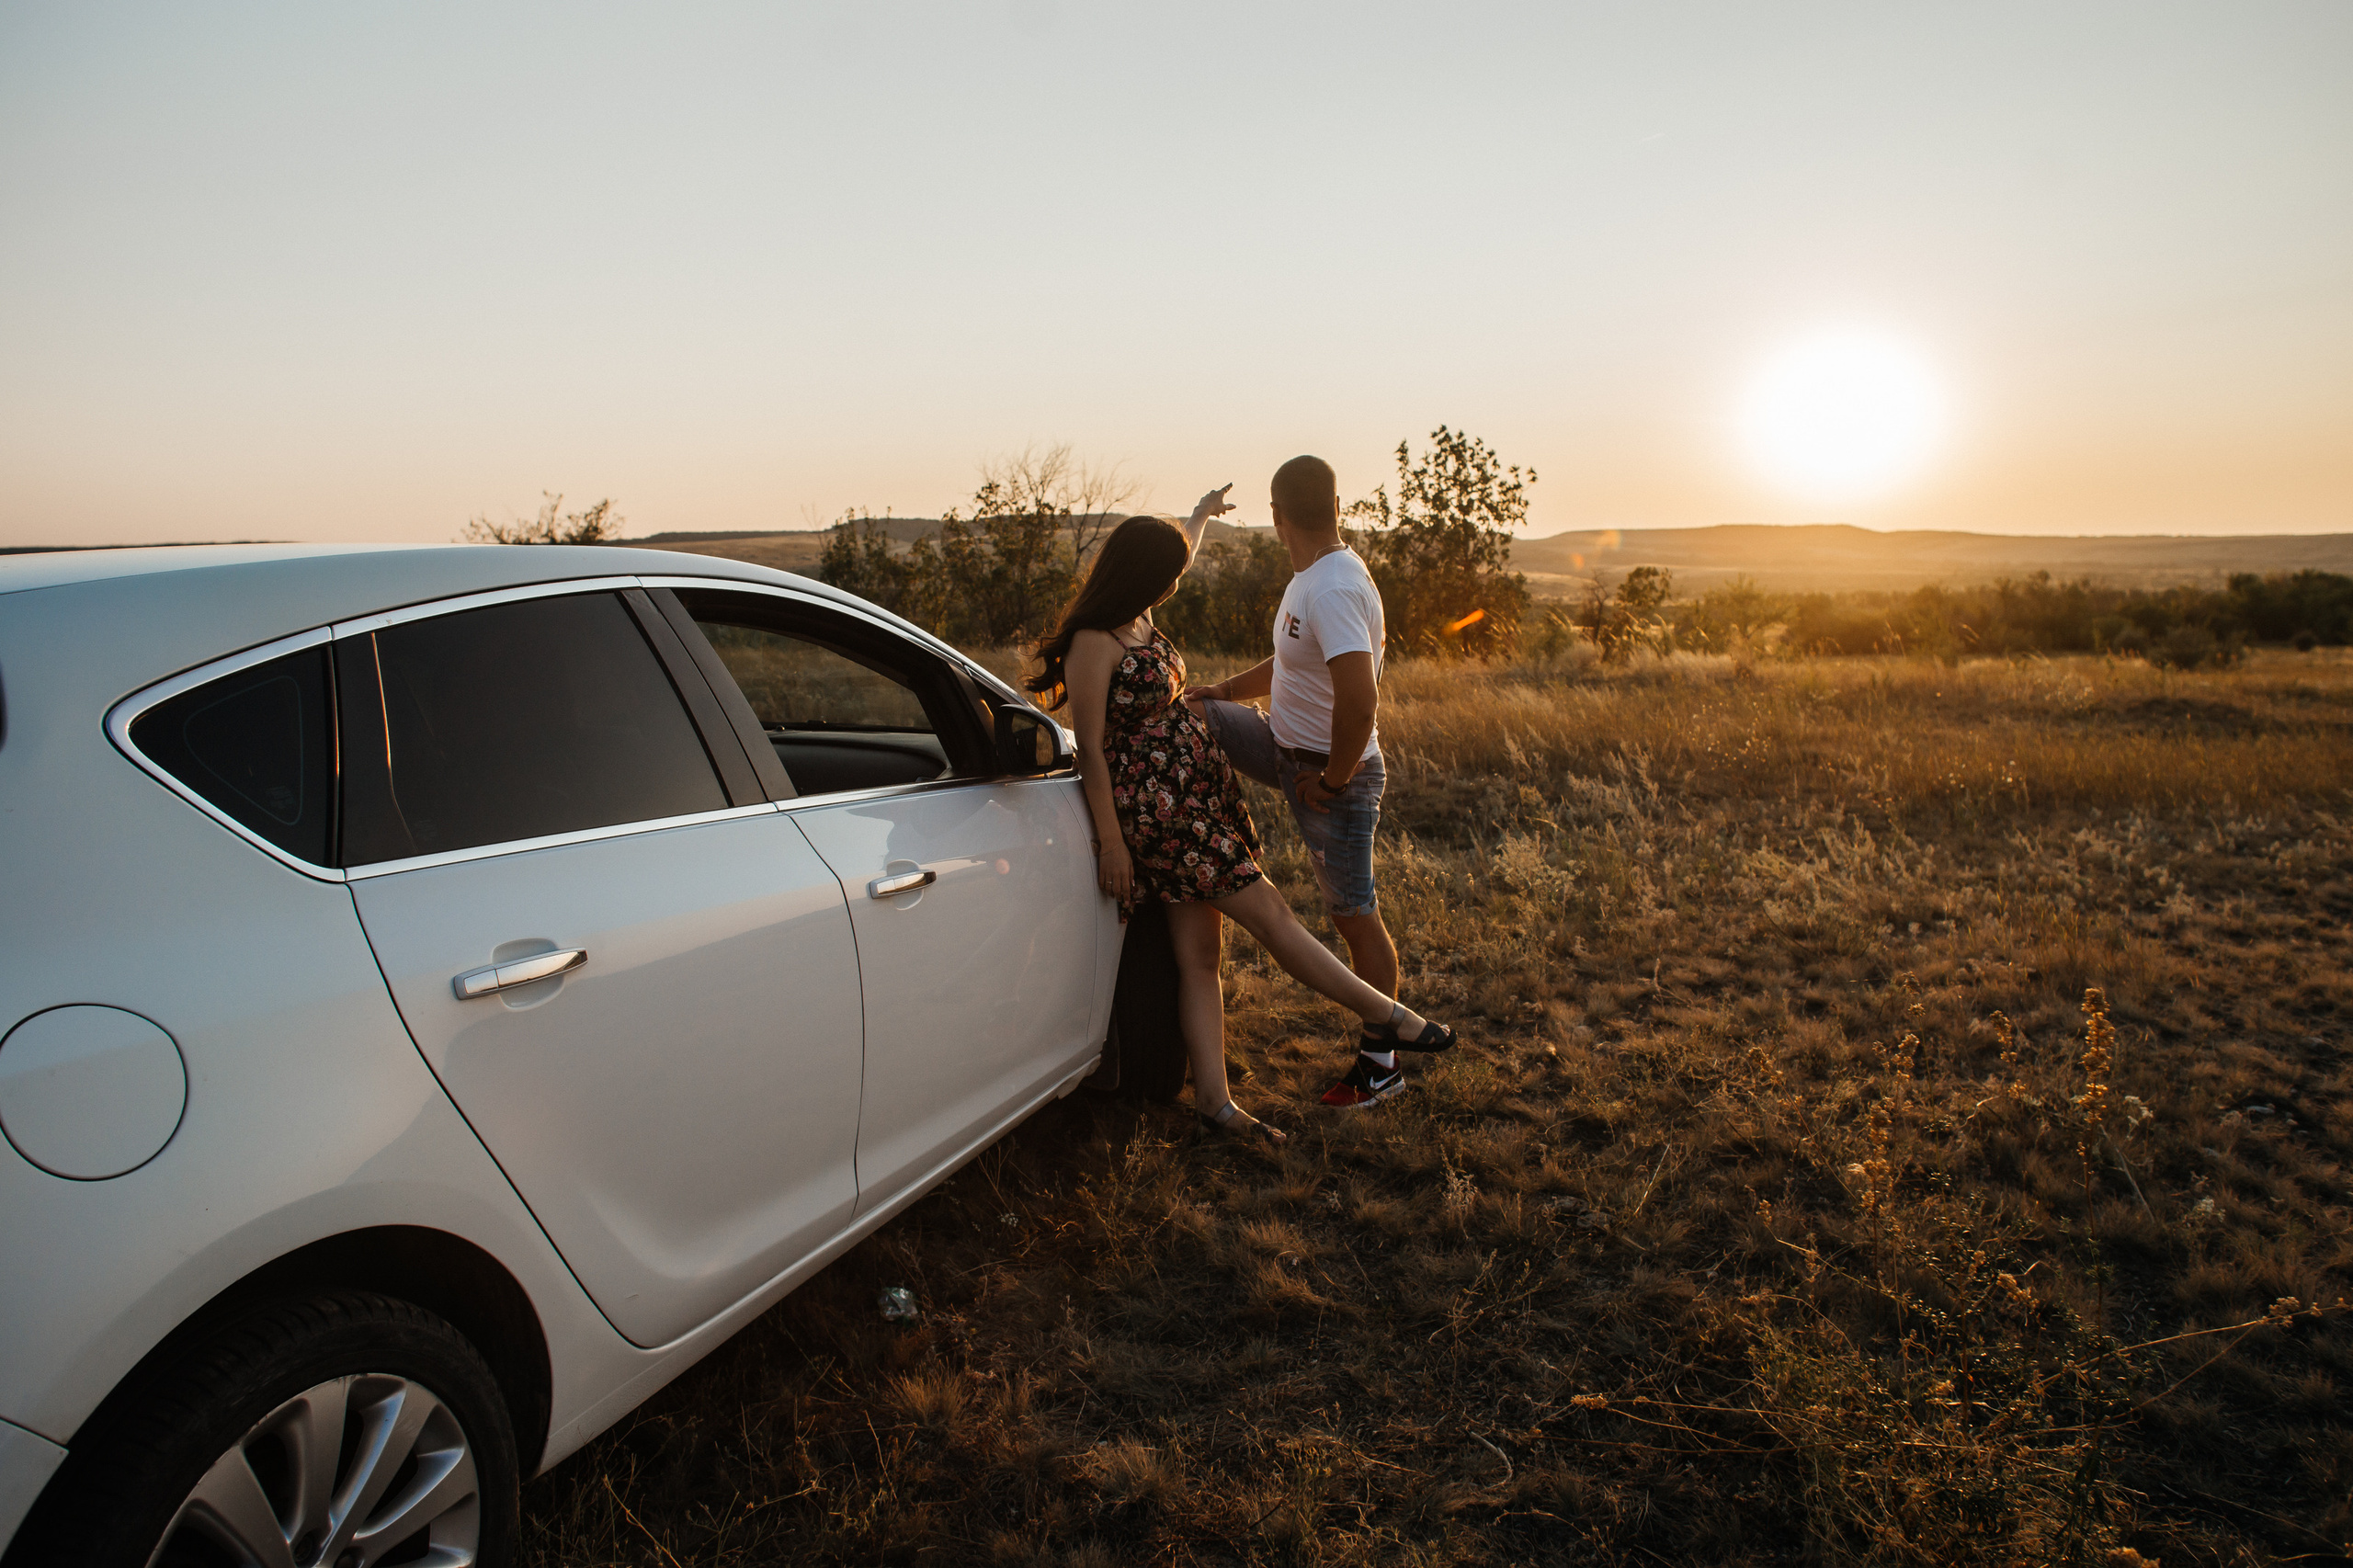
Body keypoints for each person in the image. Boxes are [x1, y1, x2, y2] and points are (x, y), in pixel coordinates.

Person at [1028, 486, 1453, 1143]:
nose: (1178, 581)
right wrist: (1112, 845)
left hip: (1195, 795)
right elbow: (1091, 750)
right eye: (1169, 572)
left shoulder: (1139, 615)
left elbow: (1180, 555)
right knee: (1273, 916)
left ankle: (1216, 1104)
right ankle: (1391, 1015)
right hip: (1162, 813)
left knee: (1200, 956)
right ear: (1142, 573)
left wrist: (1196, 518)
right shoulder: (1095, 639)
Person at [1183, 455, 1447, 1108]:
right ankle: (1200, 851)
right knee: (1196, 714)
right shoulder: (1312, 578)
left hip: (1334, 781)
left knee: (1355, 921)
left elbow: (1361, 703)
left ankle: (1380, 1065)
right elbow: (1292, 660)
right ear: (1334, 505)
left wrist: (1331, 782)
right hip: (1282, 749)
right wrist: (1226, 691)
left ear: (1277, 517)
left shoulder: (1331, 586)